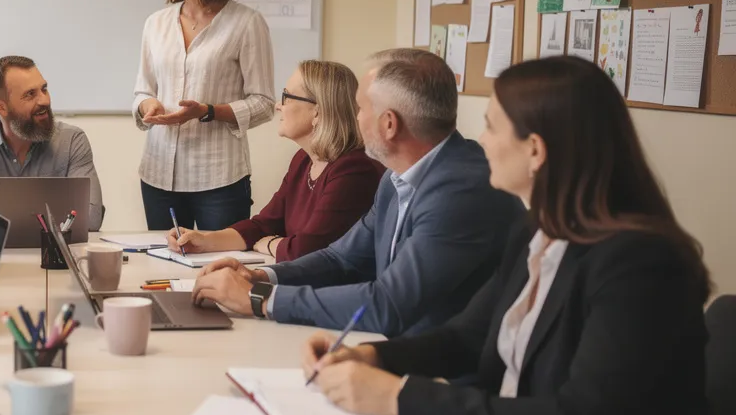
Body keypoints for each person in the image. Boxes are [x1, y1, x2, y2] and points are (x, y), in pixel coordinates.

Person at [298, 56, 717, 415]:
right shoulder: (535, 231)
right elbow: (466, 337)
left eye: (492, 127)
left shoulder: (640, 267)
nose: (482, 142)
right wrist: (371, 356)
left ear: (535, 150)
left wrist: (401, 396)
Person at [191, 48, 522, 337]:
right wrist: (261, 275)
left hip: (442, 372)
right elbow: (341, 257)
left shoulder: (460, 191)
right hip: (391, 346)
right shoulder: (397, 177)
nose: (354, 117)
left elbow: (390, 303)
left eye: (361, 108)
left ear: (388, 124)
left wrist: (260, 299)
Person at [133, 0, 276, 231]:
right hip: (158, 175)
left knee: (222, 269)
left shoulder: (247, 23)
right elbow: (143, 91)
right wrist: (148, 107)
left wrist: (208, 112)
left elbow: (264, 103)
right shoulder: (155, 24)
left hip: (219, 179)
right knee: (163, 267)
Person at [167, 60, 383, 263]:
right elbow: (264, 224)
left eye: (287, 97)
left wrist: (269, 243)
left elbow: (307, 249)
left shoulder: (354, 170)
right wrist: (205, 241)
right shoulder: (303, 160)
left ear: (317, 111)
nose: (279, 106)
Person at [0, 56, 104, 229]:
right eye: (30, 94)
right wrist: (25, 221)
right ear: (0, 107)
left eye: (44, 89)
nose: (44, 100)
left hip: (52, 254)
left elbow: (91, 217)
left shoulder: (71, 141)